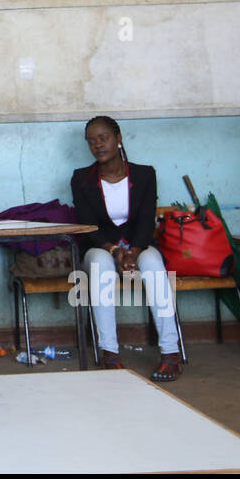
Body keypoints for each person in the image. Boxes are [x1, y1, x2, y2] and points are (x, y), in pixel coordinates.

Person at [70, 116, 181, 380]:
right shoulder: (81, 179)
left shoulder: (144, 175)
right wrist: (114, 250)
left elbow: (146, 221)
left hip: (138, 245)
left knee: (154, 265)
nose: (98, 145)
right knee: (100, 266)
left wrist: (134, 251)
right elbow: (89, 226)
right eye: (92, 141)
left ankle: (171, 354)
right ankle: (110, 353)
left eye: (103, 138)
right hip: (100, 247)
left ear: (118, 139)